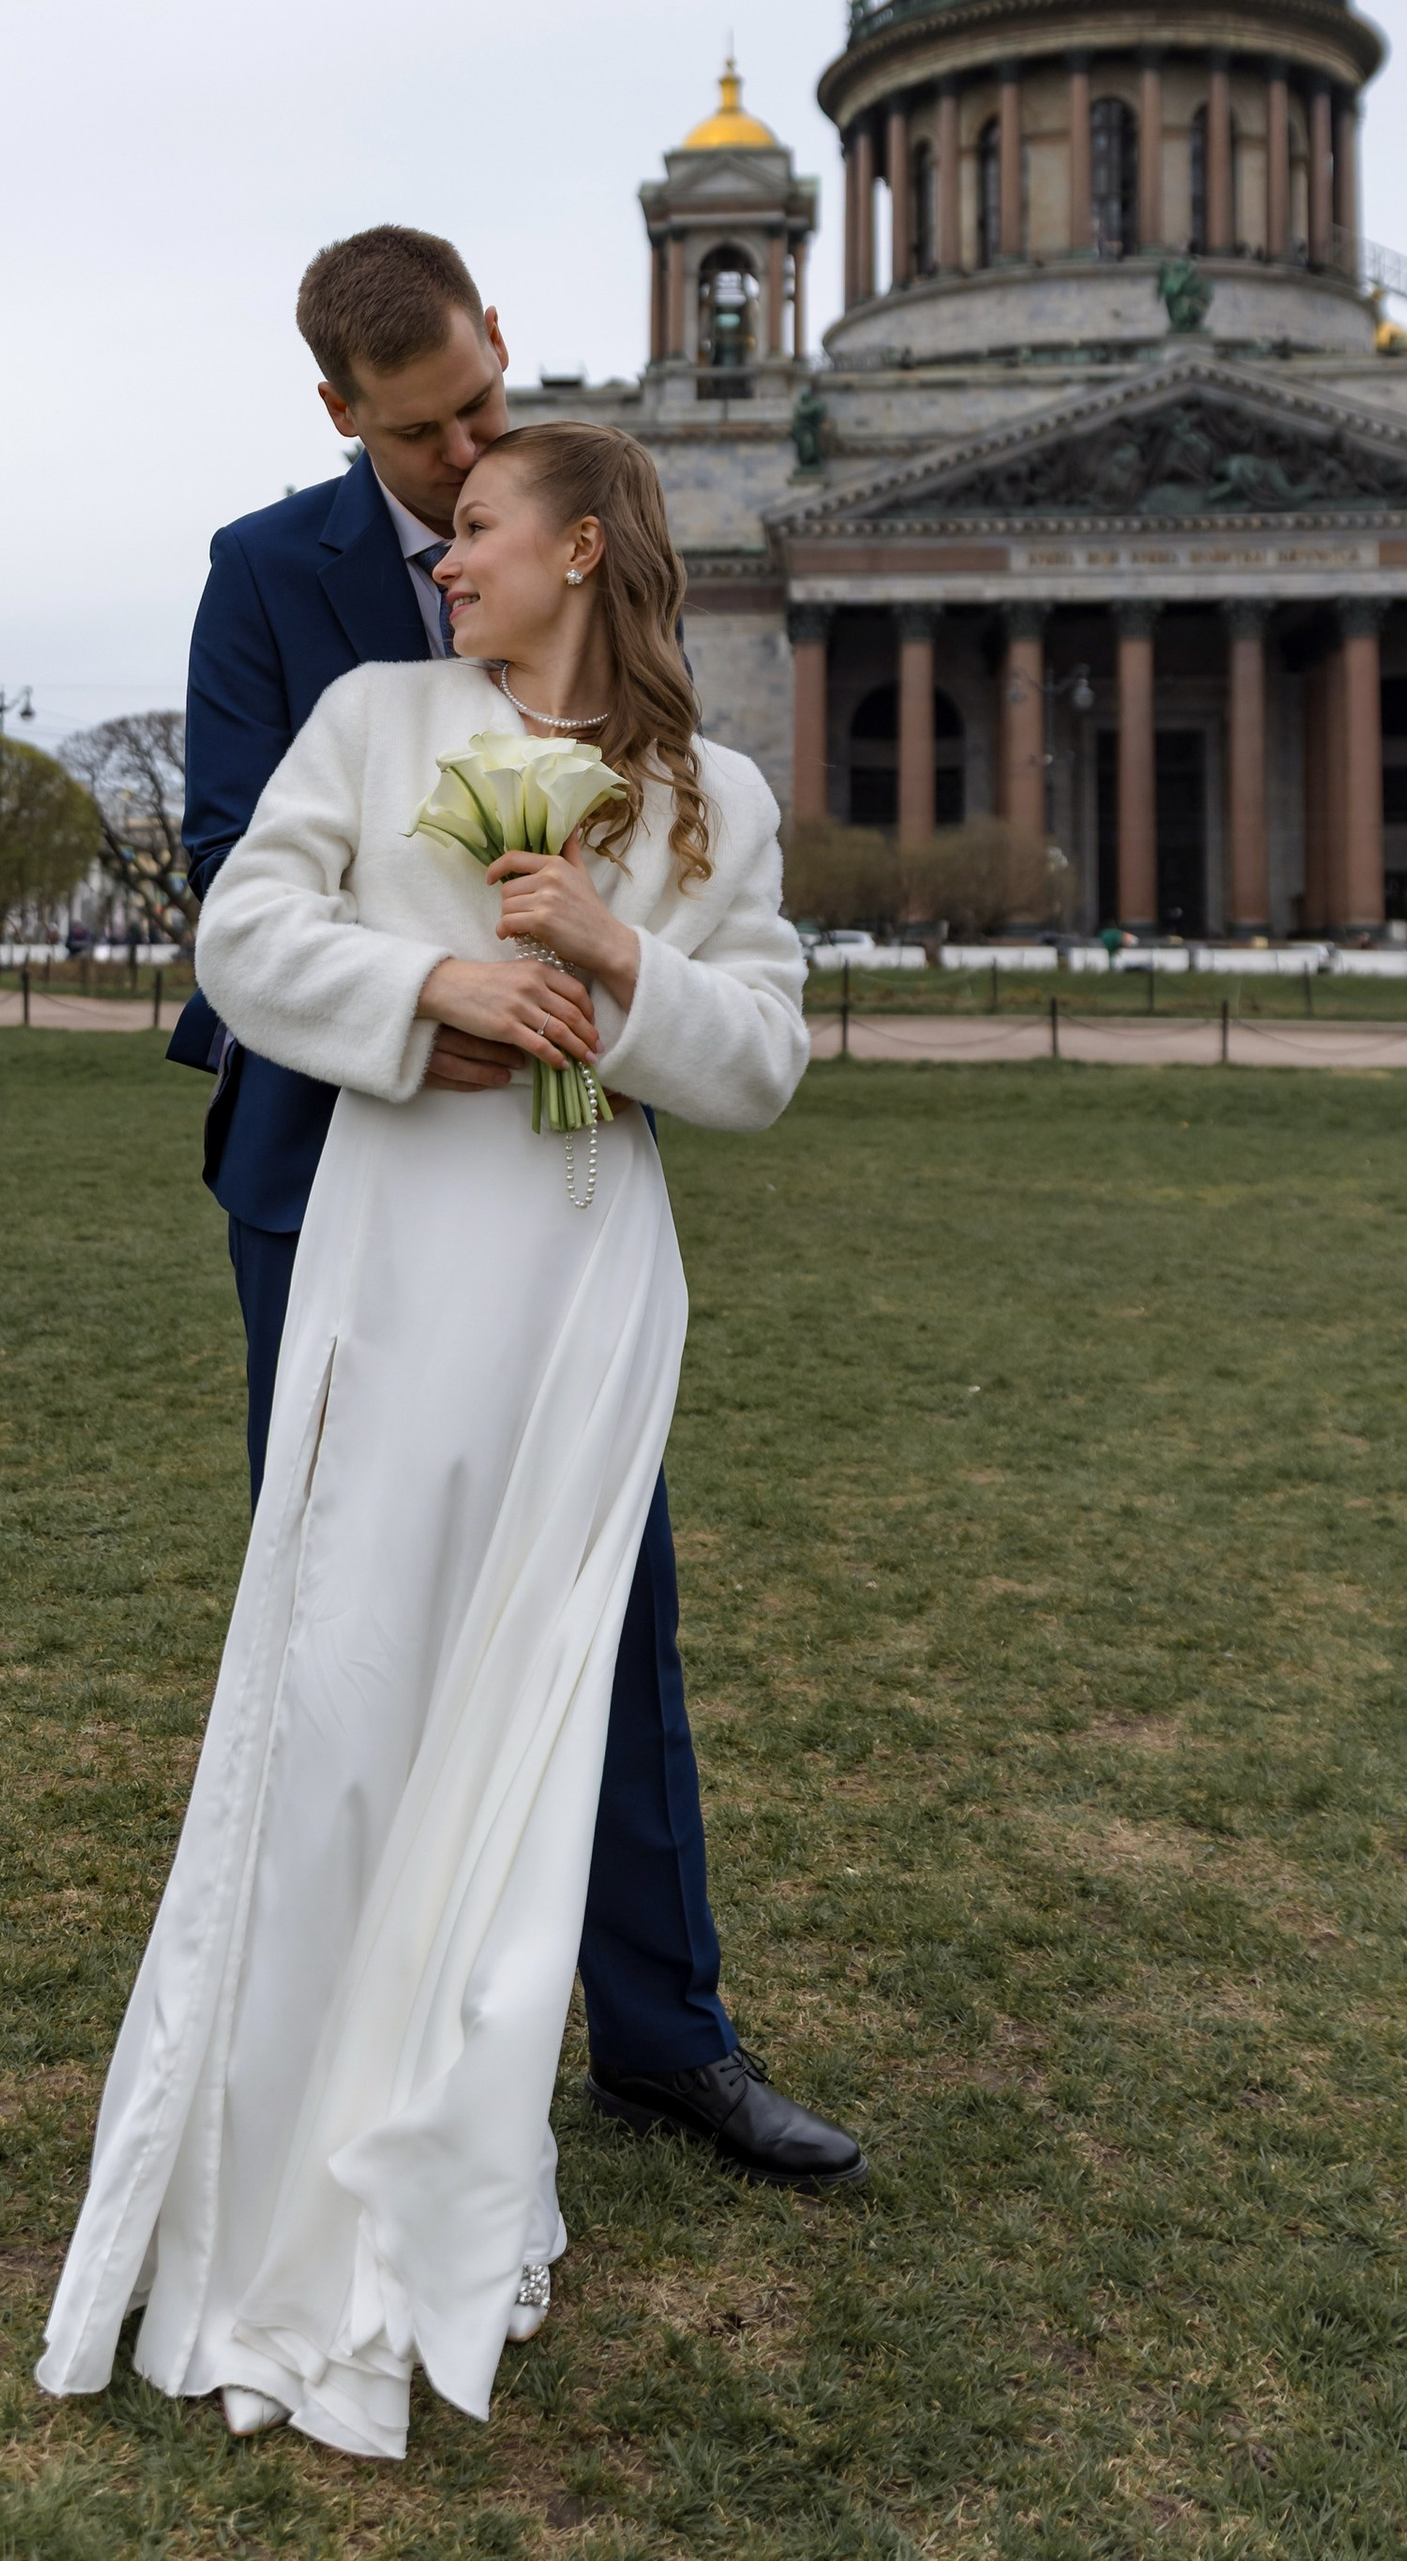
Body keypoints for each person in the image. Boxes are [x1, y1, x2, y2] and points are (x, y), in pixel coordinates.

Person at [37, 420, 820, 2459]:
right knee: (353, 1694)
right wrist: (431, 984)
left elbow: (761, 1061)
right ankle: (282, 2184)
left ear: (578, 547)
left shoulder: (714, 798)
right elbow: (241, 931)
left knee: (528, 1728)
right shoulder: (377, 722)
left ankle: (457, 2172)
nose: (442, 560)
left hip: (582, 1292)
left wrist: (616, 960)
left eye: (475, 532)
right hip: (393, 1272)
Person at [166, 229, 859, 2185]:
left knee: (601, 1607)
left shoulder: (583, 533)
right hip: (326, 1168)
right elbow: (234, 879)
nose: (480, 437)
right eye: (433, 427)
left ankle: (662, 2040)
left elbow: (679, 853)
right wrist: (419, 999)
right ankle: (340, 2043)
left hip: (560, 1178)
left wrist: (598, 980)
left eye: (491, 392)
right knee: (342, 1614)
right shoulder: (265, 576)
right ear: (341, 418)